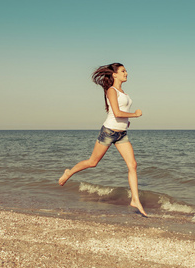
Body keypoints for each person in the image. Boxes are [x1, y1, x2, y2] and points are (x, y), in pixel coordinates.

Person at [58, 62, 147, 217]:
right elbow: (117, 113)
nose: (126, 73)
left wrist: (127, 122)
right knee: (93, 162)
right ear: (114, 74)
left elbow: (121, 113)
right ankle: (69, 172)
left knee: (132, 165)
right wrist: (135, 114)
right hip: (108, 132)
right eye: (123, 71)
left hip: (122, 134)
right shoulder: (111, 91)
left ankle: (135, 199)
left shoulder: (123, 92)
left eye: (126, 71)